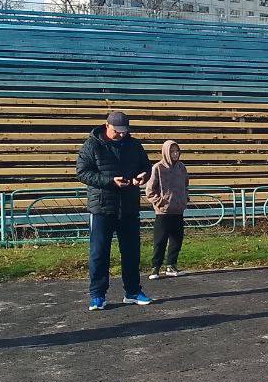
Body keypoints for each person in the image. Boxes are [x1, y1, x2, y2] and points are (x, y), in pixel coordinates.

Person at [76, 110, 153, 309]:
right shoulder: (92, 145)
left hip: (128, 206)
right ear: (107, 126)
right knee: (99, 253)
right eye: (117, 131)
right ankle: (98, 294)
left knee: (131, 252)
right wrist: (109, 182)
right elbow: (83, 173)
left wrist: (143, 175)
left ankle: (133, 291)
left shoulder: (134, 145)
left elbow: (147, 166)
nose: (121, 135)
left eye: (124, 131)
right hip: (102, 207)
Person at [144, 139, 189, 280]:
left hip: (178, 210)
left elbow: (186, 185)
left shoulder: (182, 167)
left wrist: (184, 199)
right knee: (160, 240)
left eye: (177, 151)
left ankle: (171, 265)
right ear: (165, 152)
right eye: (172, 151)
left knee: (177, 239)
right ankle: (155, 268)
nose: (175, 154)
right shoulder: (157, 167)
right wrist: (159, 202)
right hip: (163, 212)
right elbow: (150, 190)